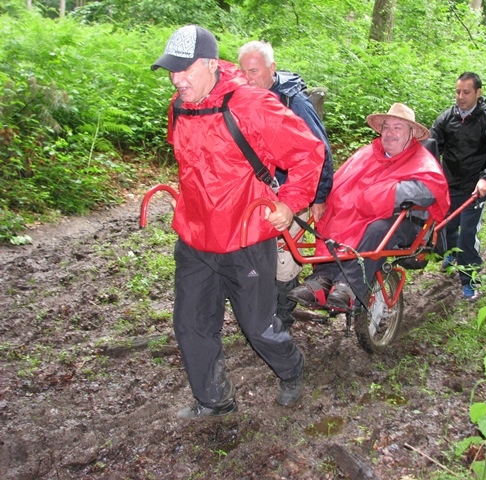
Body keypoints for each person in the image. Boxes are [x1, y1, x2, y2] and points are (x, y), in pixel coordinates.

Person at [151, 25, 325, 417]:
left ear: (212, 64)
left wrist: (290, 202)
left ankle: (291, 369)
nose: (177, 80)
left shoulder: (250, 105)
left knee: (257, 325)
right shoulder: (179, 107)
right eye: (171, 71)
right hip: (195, 237)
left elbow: (309, 152)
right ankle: (213, 399)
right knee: (191, 323)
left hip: (245, 235)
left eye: (185, 70)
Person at [288, 103, 450, 311]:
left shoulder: (420, 159)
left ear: (411, 133)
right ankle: (322, 278)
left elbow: (430, 190)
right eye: (386, 127)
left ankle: (349, 286)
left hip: (403, 220)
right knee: (333, 217)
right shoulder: (367, 154)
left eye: (397, 127)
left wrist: (387, 192)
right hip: (359, 215)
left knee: (376, 229)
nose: (390, 133)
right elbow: (342, 183)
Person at [238, 40, 334, 331]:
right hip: (257, 196)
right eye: (243, 72)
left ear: (272, 69)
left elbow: (319, 150)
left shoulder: (294, 103)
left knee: (284, 260)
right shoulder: (241, 101)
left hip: (292, 193)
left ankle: (282, 319)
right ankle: (263, 314)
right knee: (258, 256)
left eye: (253, 71)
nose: (248, 78)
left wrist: (318, 197)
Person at [430, 72, 486, 301]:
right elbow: (431, 147)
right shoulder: (446, 118)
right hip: (449, 184)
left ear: (478, 93)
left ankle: (469, 279)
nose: (461, 97)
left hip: (475, 188)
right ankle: (451, 253)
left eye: (466, 92)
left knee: (467, 234)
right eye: (458, 92)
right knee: (444, 227)